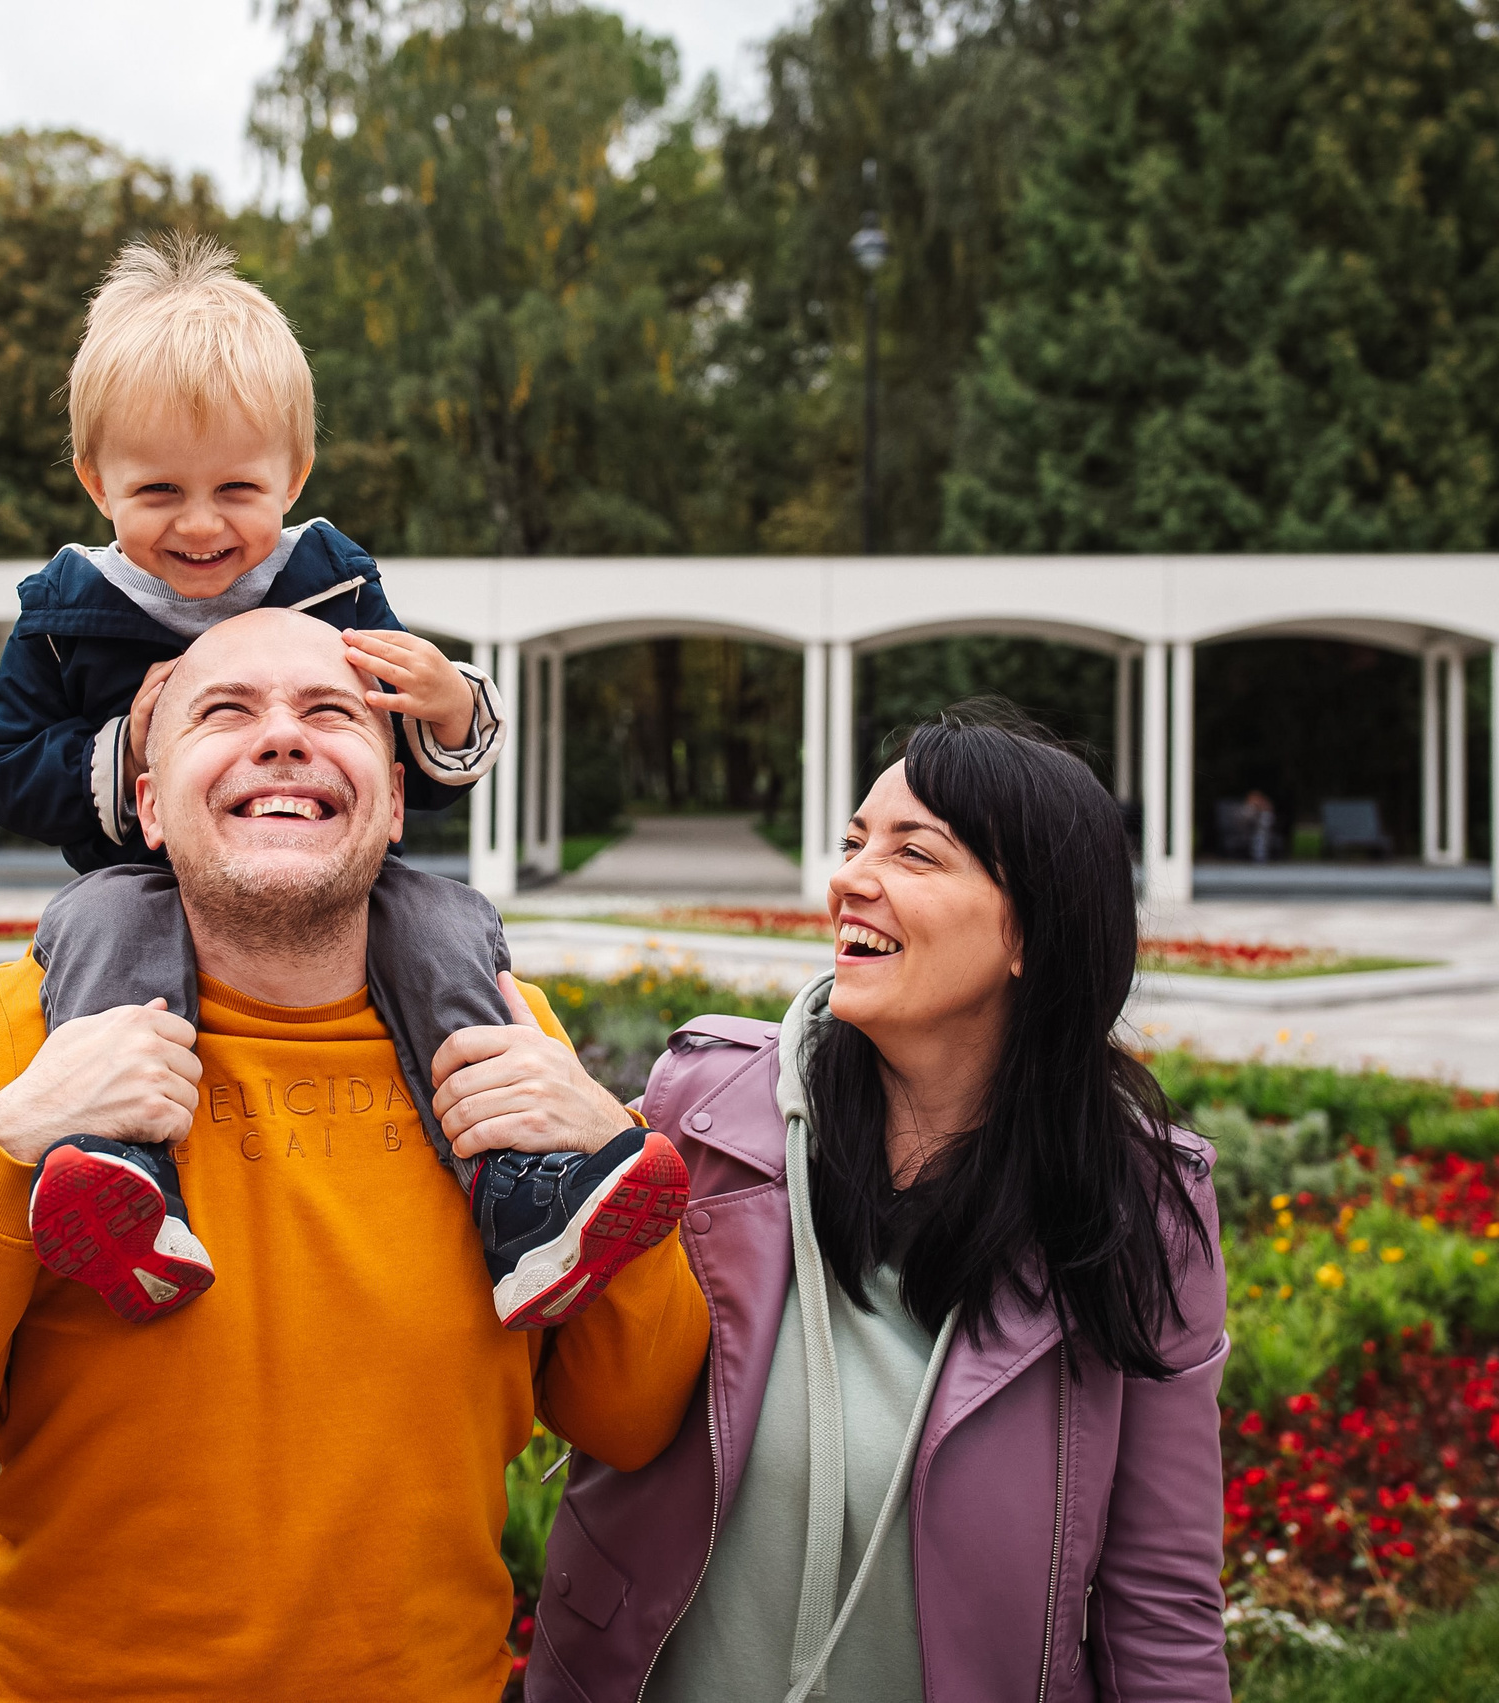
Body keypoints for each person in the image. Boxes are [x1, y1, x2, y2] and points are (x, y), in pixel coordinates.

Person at [0, 609, 712, 1703]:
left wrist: (599, 1143)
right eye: (224, 712)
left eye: (332, 712)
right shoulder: (22, 1033)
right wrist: (2, 1151)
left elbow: (633, 1417)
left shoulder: (502, 1031)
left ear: (397, 798)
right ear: (149, 804)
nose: (281, 738)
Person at [0, 234, 680, 1329]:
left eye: (236, 488)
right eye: (158, 489)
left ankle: (523, 1191)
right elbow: (2, 764)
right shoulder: (67, 613)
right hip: (142, 877)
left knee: (445, 924)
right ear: (93, 481)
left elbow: (407, 775)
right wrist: (127, 741)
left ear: (292, 478)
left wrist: (448, 708)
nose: (200, 525)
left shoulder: (332, 582)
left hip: (347, 890)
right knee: (100, 925)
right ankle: (121, 1175)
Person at [527, 705, 1232, 1703]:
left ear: (1030, 928)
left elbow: (1159, 1602)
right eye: (857, 841)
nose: (849, 877)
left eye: (916, 852)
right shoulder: (703, 1109)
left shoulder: (1142, 1209)